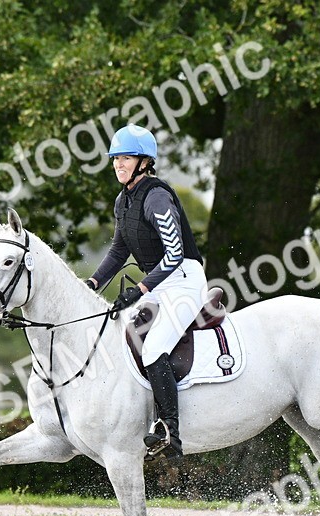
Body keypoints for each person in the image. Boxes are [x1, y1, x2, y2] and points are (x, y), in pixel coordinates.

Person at [85, 124, 207, 460]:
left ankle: (170, 430)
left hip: (184, 281)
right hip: (159, 284)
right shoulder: (123, 200)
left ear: (144, 162)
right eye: (115, 158)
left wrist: (139, 288)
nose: (118, 164)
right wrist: (92, 283)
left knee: (152, 348)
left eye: (125, 158)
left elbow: (175, 253)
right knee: (122, 337)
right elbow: (117, 252)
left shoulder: (156, 197)